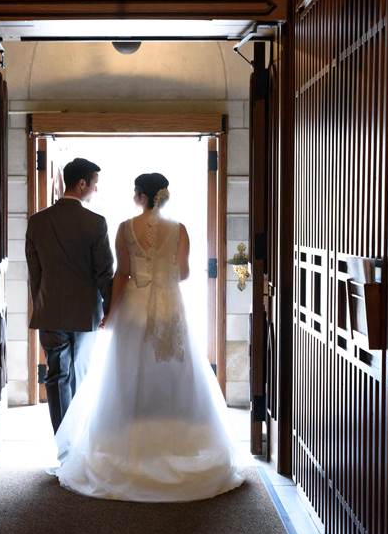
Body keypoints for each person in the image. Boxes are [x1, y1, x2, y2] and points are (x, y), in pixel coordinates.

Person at [53, 172, 248, 502]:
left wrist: (110, 312)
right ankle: (177, 443)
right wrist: (163, 274)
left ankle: (129, 444)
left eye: (134, 192)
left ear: (142, 196)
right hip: (169, 309)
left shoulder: (126, 228)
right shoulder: (180, 229)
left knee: (128, 376)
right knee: (174, 375)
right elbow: (183, 273)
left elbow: (123, 273)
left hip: (134, 309)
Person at [25, 158, 115, 434]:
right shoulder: (95, 223)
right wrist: (110, 309)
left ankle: (63, 445)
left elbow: (35, 272)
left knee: (56, 376)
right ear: (82, 183)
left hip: (49, 311)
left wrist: (42, 304)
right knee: (80, 374)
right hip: (85, 314)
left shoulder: (37, 221)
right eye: (95, 185)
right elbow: (105, 273)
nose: (96, 191)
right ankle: (79, 441)